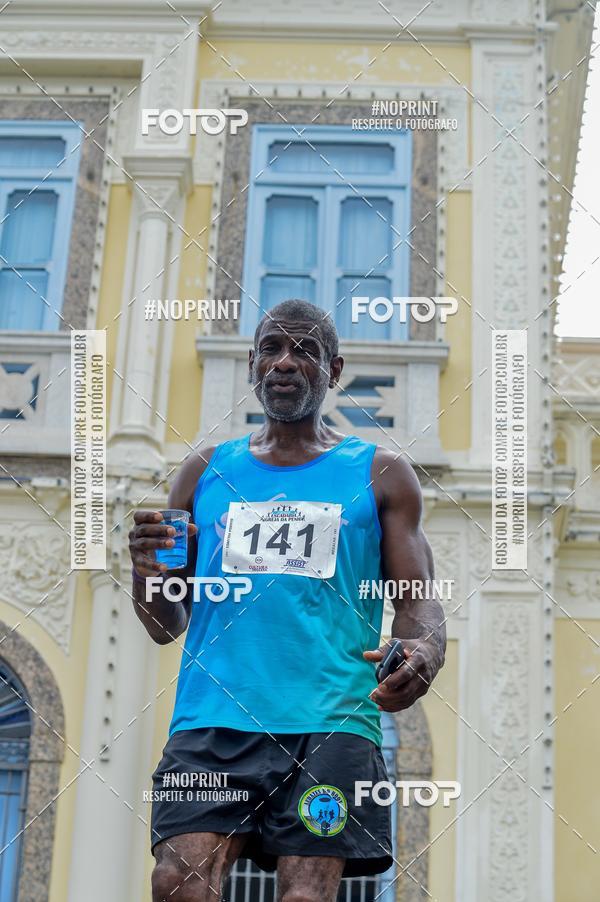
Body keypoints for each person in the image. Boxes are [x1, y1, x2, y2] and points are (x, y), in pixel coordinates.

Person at [129, 299, 446, 902]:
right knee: (178, 882)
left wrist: (423, 650)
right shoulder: (204, 472)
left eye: (305, 350)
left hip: (329, 725)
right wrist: (146, 571)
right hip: (211, 723)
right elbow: (163, 623)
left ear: (335, 369)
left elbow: (418, 598)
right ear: (251, 363)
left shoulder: (381, 473)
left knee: (305, 894)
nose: (285, 362)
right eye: (271, 348)